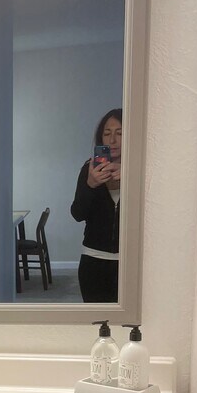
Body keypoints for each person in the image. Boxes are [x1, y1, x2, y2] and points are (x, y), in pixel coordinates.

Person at [71, 108, 122, 302]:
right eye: (107, 133)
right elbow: (77, 214)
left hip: (131, 262)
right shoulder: (89, 169)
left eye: (120, 133)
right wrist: (90, 185)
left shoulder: (141, 171)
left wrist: (131, 177)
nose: (113, 140)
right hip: (93, 260)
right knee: (96, 318)